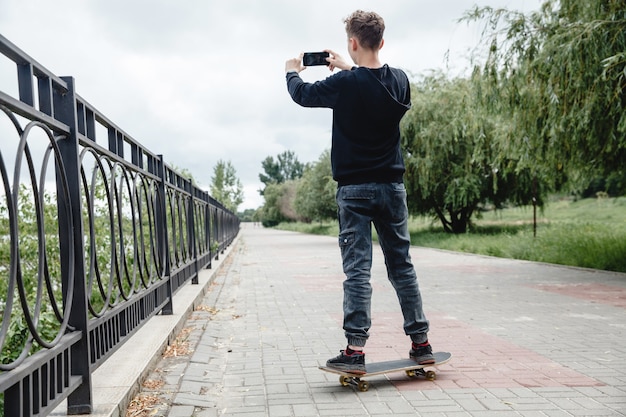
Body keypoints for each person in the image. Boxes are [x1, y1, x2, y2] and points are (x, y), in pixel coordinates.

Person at [284, 10, 434, 374]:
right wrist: (350, 68)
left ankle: (355, 350)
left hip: (354, 191)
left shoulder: (345, 86)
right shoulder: (399, 81)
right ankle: (421, 343)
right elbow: (373, 85)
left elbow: (302, 94)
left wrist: (291, 69)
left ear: (352, 43)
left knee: (357, 272)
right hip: (392, 189)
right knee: (402, 267)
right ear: (381, 42)